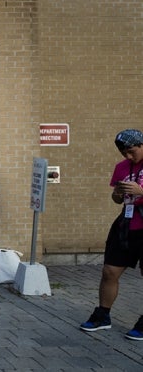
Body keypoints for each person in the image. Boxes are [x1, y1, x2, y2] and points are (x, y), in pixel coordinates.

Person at [80, 129, 143, 340]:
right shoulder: (121, 168)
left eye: (132, 151)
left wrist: (141, 192)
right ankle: (102, 315)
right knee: (109, 271)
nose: (128, 156)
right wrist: (117, 194)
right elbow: (118, 199)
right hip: (126, 225)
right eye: (124, 152)